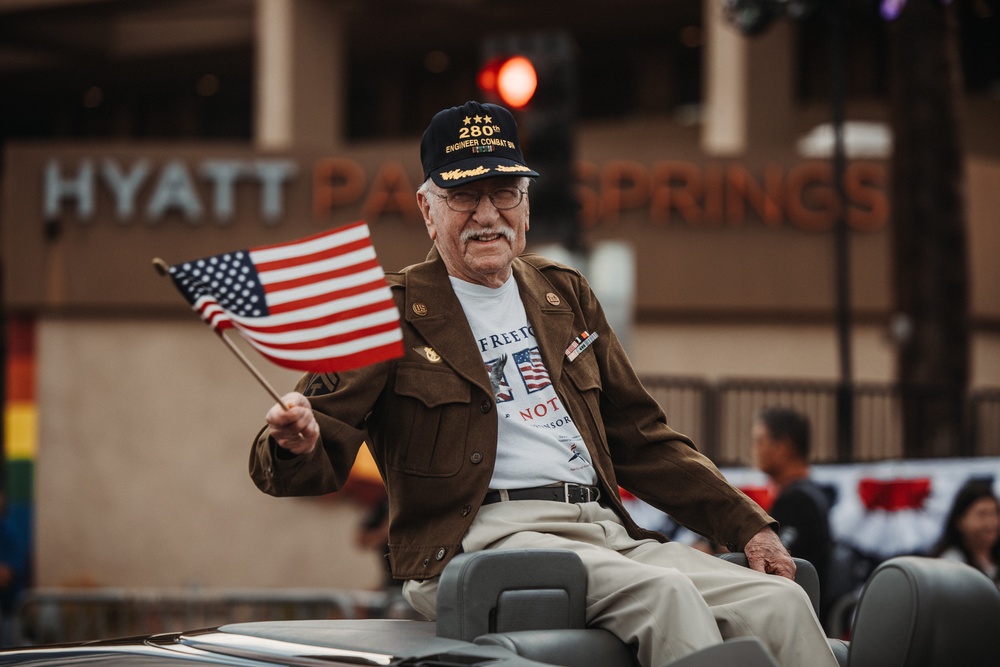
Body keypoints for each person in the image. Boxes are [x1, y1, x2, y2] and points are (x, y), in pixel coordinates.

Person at [250, 100, 837, 667]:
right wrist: (295, 441)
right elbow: (302, 446)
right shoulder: (385, 307)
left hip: (604, 533)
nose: (487, 214)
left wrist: (748, 525)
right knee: (664, 595)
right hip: (479, 544)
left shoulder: (566, 293)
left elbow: (642, 438)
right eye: (463, 196)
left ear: (526, 206)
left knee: (779, 602)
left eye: (504, 193)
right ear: (428, 210)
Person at [751, 407, 836, 626]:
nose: (755, 450)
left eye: (760, 441)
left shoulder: (796, 500)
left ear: (784, 447)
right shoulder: (811, 493)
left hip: (797, 620)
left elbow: (774, 563)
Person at [929, 478, 1000, 584]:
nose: (991, 523)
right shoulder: (952, 563)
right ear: (960, 521)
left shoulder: (994, 558)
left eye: (995, 513)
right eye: (982, 515)